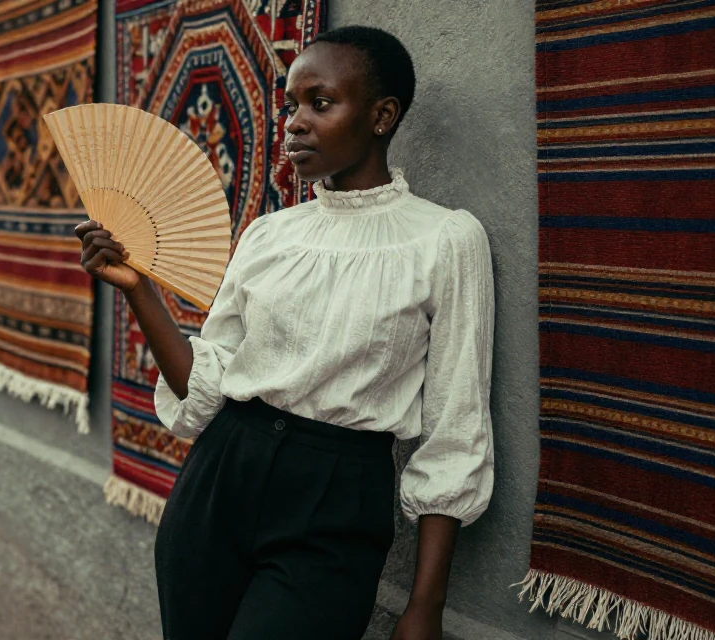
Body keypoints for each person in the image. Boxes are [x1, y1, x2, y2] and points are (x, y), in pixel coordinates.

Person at [76, 25, 495, 640]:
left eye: (319, 104)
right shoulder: (269, 235)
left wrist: (424, 604)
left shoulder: (447, 240)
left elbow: (456, 425)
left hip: (337, 499)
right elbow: (205, 388)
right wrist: (139, 289)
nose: (294, 123)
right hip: (220, 477)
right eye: (292, 105)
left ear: (382, 116)